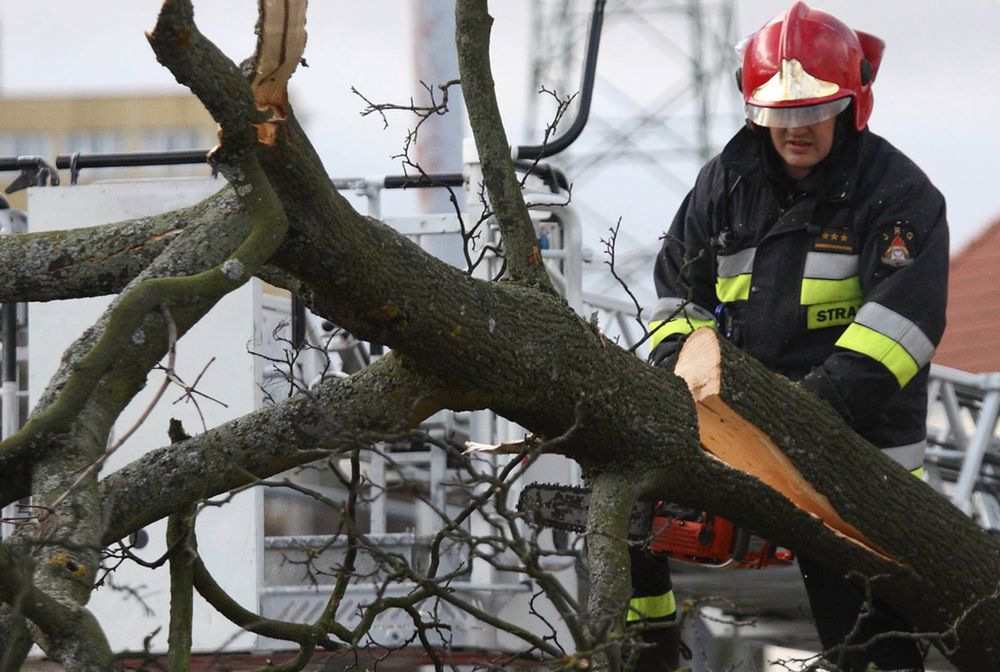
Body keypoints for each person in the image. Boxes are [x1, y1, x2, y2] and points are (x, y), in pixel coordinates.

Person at [635, 2, 949, 670]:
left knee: (871, 647)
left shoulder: (897, 195)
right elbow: (675, 297)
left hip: (864, 462)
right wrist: (685, 375)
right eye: (779, 115)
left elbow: (903, 326)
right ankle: (650, 652)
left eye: (811, 114)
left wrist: (810, 412)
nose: (794, 130)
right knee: (636, 510)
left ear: (850, 106)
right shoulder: (725, 184)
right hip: (741, 430)